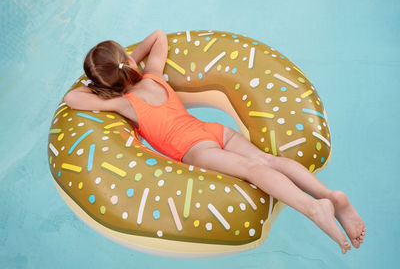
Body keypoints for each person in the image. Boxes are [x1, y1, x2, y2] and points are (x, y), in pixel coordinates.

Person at [63, 29, 366, 254]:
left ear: (105, 86)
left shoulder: (122, 104)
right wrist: (131, 60)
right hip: (213, 131)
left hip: (196, 150)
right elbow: (158, 37)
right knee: (268, 161)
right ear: (128, 62)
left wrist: (104, 86)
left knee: (253, 171)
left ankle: (313, 209)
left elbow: (72, 98)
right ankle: (330, 195)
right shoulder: (153, 77)